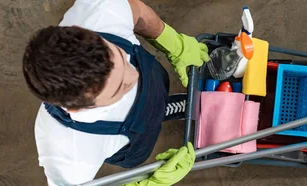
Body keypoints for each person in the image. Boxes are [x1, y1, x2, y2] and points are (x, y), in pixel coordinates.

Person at [22, 0, 209, 185]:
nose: (134, 75)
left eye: (121, 56)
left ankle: (164, 108)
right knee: (145, 130)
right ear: (76, 109)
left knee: (156, 99)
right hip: (133, 142)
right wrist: (152, 183)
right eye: (120, 88)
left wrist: (175, 44)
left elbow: (137, 11)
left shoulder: (99, 11)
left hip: (153, 85)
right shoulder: (69, 154)